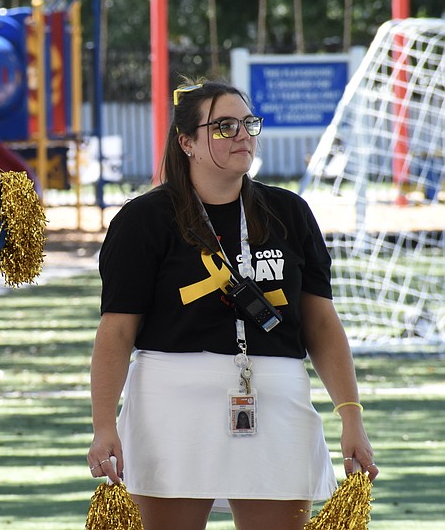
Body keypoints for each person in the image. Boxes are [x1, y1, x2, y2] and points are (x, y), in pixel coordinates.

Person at [87, 79, 378, 530]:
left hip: (276, 398)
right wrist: (104, 425)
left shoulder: (291, 212)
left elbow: (321, 324)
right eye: (224, 126)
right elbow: (117, 331)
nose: (243, 135)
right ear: (186, 142)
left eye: (248, 123)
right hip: (172, 403)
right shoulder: (144, 219)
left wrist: (350, 415)